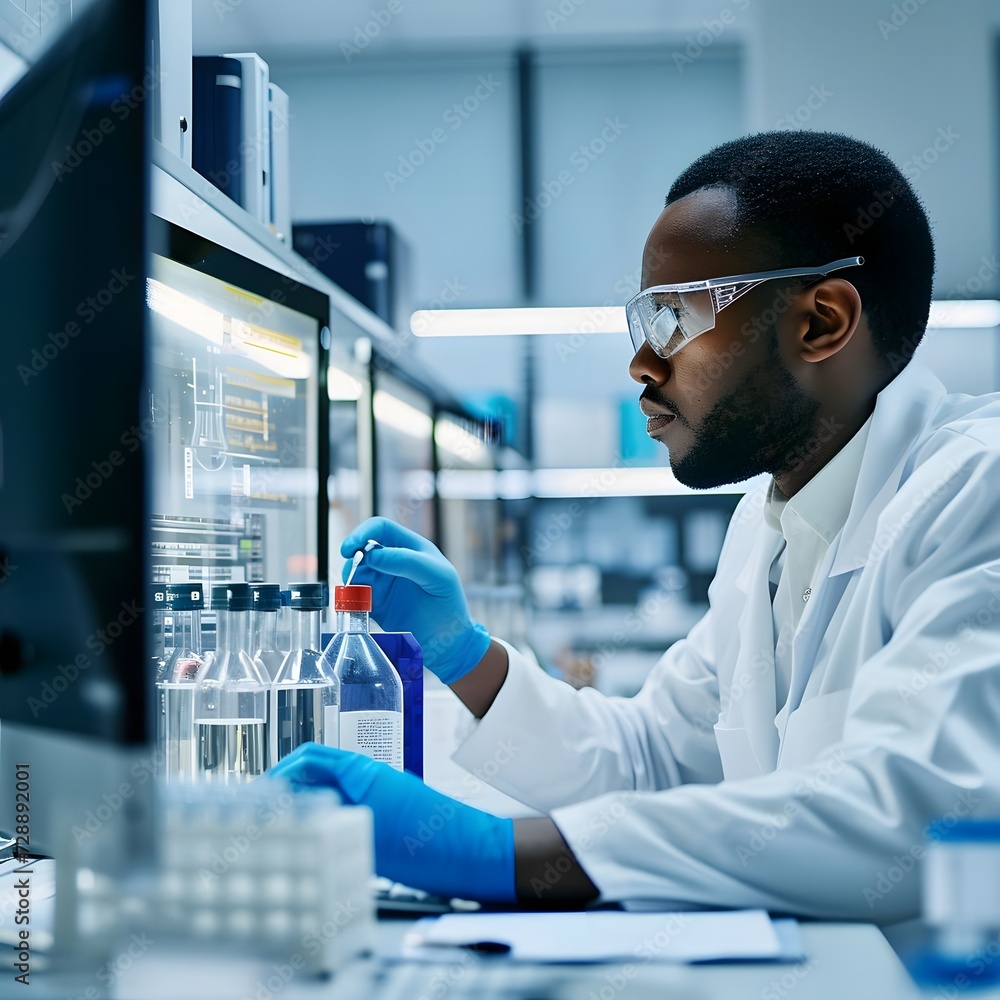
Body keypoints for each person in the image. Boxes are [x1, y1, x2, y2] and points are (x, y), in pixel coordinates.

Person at [270, 131, 1000, 923]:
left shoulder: (977, 486)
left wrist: (493, 857)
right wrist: (466, 657)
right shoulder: (765, 528)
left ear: (821, 322)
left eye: (675, 318)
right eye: (641, 324)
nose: (642, 367)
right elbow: (654, 757)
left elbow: (920, 810)